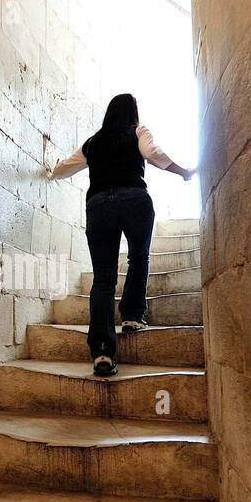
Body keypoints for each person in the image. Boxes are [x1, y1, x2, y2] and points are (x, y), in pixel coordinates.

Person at [48, 93, 195, 377]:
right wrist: (183, 172)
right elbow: (153, 154)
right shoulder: (138, 131)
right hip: (134, 200)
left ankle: (102, 351)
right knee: (139, 258)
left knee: (103, 278)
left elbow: (66, 166)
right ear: (133, 113)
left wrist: (53, 171)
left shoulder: (93, 142)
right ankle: (131, 316)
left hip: (99, 204)